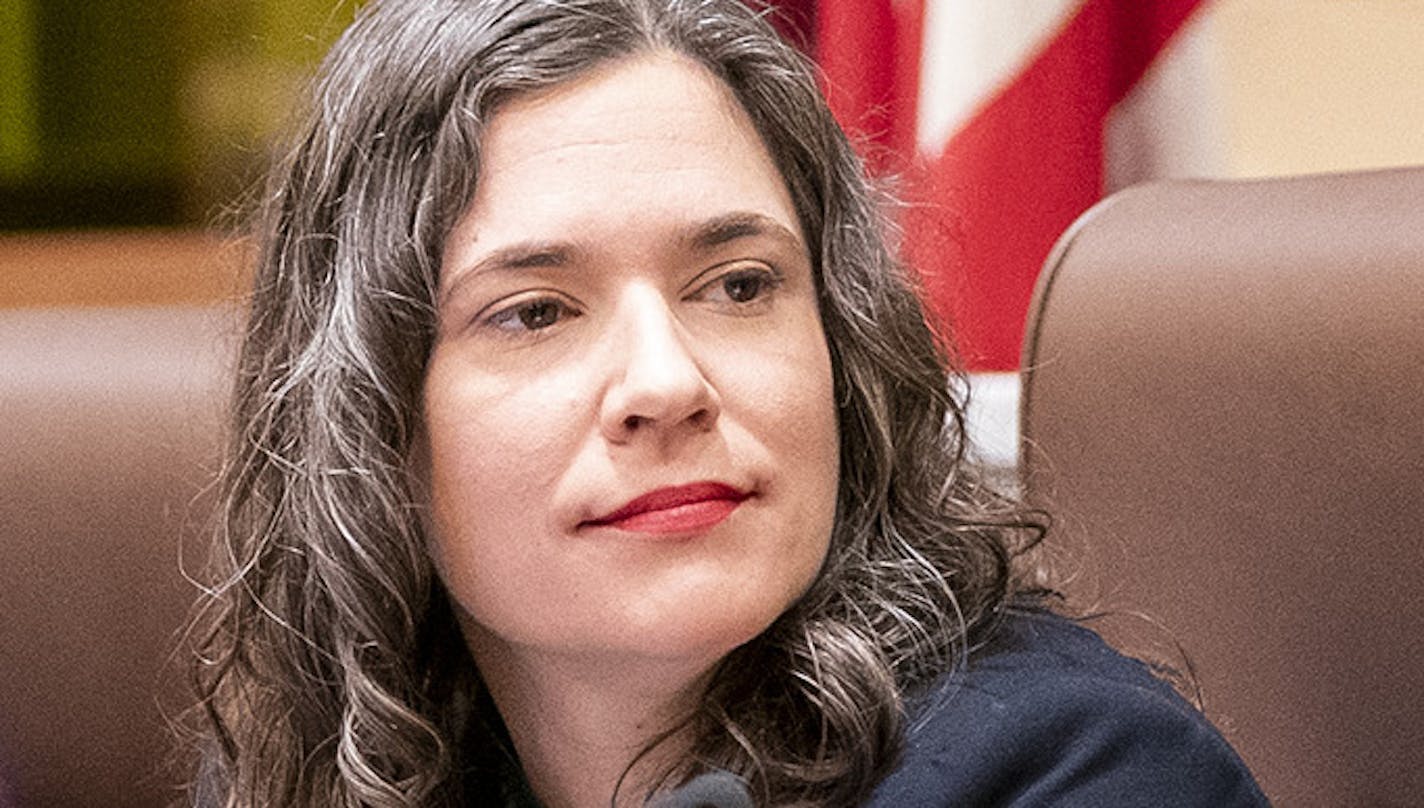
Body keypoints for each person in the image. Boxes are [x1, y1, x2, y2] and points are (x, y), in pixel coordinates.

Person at [185, 1, 1268, 806]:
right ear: (367, 419)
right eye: (535, 312)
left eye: (738, 286)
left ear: (842, 349)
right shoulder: (326, 761)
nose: (664, 382)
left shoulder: (1081, 772)